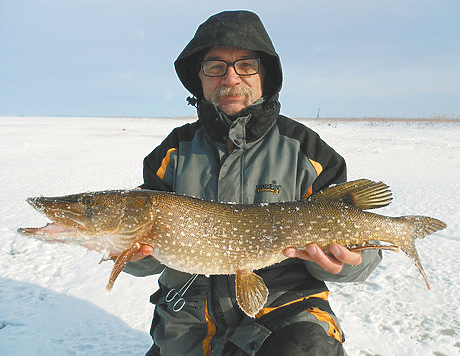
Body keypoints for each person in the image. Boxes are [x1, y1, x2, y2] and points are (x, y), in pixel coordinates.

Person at [124, 10, 382, 356]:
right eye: (215, 67)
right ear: (199, 78)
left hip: (284, 316)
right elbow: (148, 261)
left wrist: (352, 260)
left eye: (245, 65)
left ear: (265, 75)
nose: (230, 78)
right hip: (188, 326)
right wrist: (126, 251)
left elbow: (360, 244)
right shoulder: (171, 154)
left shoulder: (308, 151)